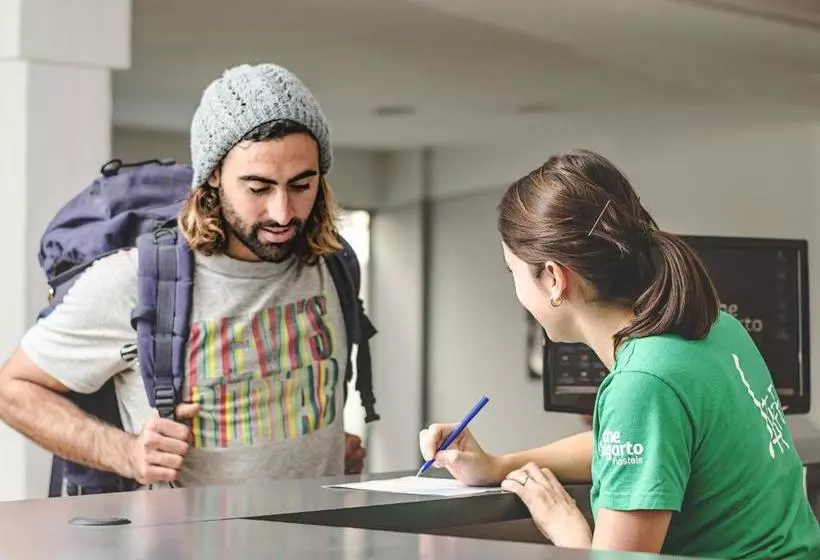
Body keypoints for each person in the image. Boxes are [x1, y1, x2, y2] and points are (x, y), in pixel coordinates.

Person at [419, 149, 820, 558]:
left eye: (514, 272)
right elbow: (632, 444)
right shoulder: (717, 326)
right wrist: (498, 465)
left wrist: (563, 524)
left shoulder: (642, 384)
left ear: (554, 278)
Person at [0, 62, 368, 491]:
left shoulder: (334, 264)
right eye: (258, 188)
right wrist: (127, 453)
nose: (283, 213)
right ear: (213, 176)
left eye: (302, 185)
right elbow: (13, 388)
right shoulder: (136, 281)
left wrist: (322, 447)